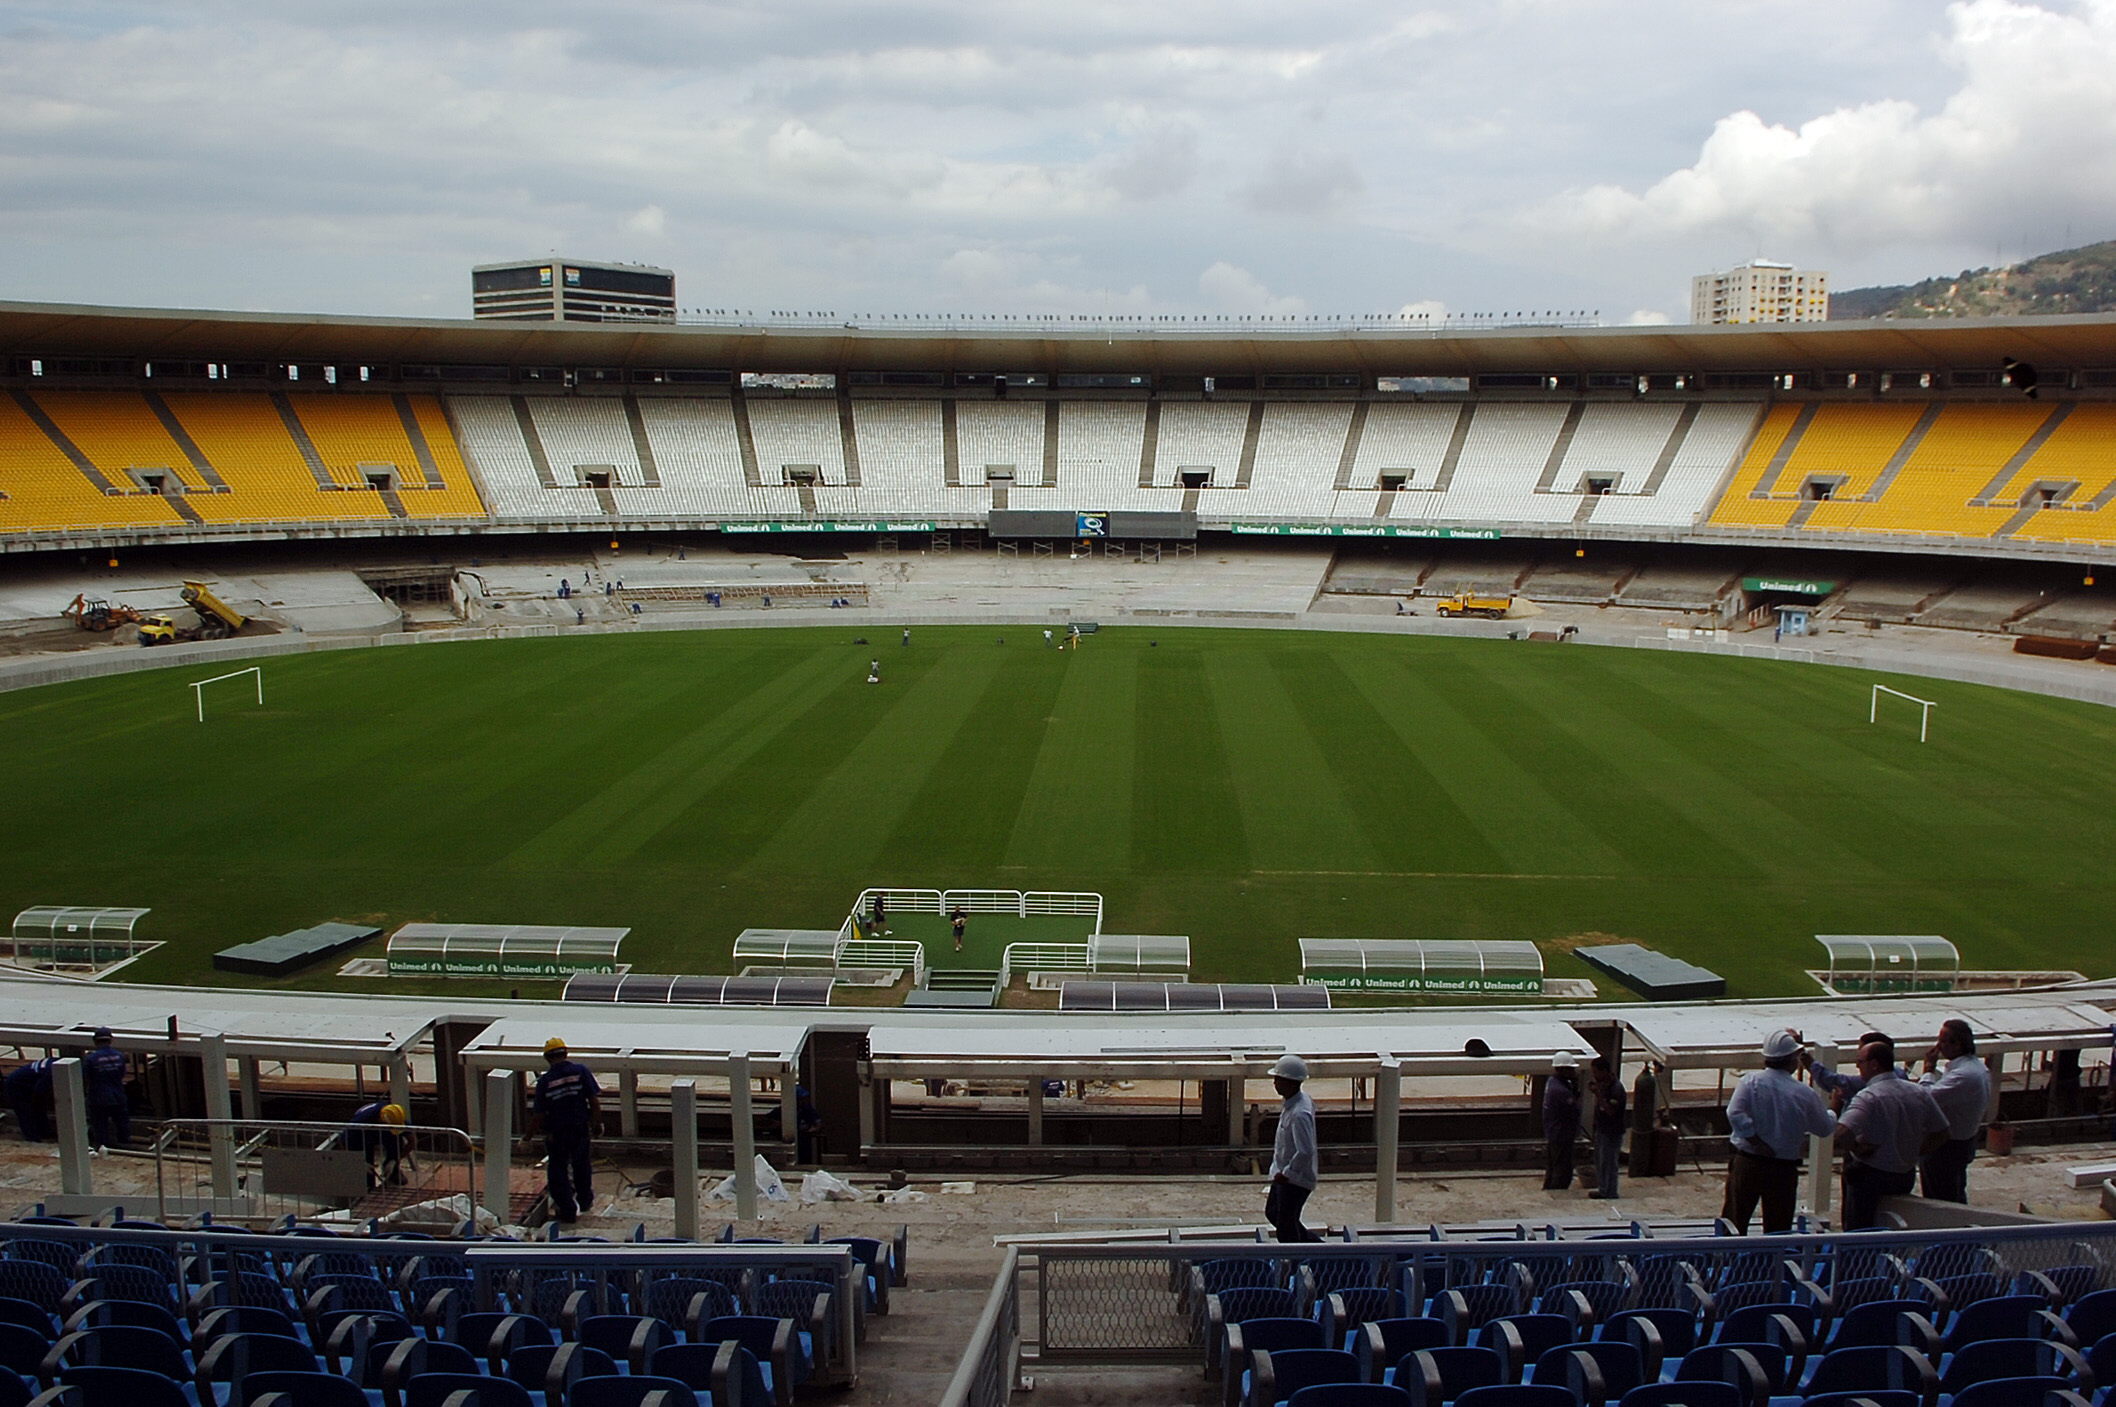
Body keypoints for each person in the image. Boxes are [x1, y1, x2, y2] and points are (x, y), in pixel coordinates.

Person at [1722, 1029, 1835, 1234]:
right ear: (1793, 1059)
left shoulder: (1750, 1082)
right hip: (1782, 1168)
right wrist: (1834, 1108)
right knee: (1778, 1228)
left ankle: (1727, 1262)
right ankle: (1772, 1265)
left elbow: (1735, 1113)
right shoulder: (1803, 1093)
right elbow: (1824, 1128)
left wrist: (1755, 1140)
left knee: (1735, 1221)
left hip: (1749, 1161)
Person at [1836, 1039, 1947, 1230]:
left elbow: (1840, 1134)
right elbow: (1942, 1131)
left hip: (1870, 1176)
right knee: (1892, 1225)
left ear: (1874, 1065)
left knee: (1859, 1231)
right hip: (1904, 1175)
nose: (1857, 1066)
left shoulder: (1869, 1096)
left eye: (1860, 1061)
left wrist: (1857, 1148)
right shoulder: (1918, 1092)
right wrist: (1915, 1152)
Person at [1918, 1019, 1993, 1203]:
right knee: (1953, 1190)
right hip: (1961, 1141)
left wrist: (1928, 1069)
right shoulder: (1975, 1067)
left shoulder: (1963, 1075)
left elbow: (1925, 1098)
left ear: (1957, 1044)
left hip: (1946, 1147)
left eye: (1943, 1041)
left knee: (1941, 1197)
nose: (1938, 1046)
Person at [531, 1037, 602, 1223]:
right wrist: (596, 1124)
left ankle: (567, 1210)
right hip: (580, 1130)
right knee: (582, 1166)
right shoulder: (581, 1071)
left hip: (558, 1135)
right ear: (565, 1053)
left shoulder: (545, 1082)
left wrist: (527, 1137)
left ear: (547, 1058)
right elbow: (594, 1102)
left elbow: (538, 1115)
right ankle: (585, 1201)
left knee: (558, 1172)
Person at [1264, 1054, 1321, 1242]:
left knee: (1286, 1226)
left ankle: (1300, 1258)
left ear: (1289, 1082)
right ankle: (1317, 1250)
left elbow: (1305, 1150)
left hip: (1294, 1180)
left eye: (1278, 1079)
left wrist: (1287, 1173)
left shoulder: (1299, 1114)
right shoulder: (1297, 1104)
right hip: (1284, 1175)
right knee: (1275, 1213)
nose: (1275, 1083)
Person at [82, 1028, 130, 1151]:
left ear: (95, 1041)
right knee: (121, 1122)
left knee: (100, 1124)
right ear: (111, 1040)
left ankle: (104, 1147)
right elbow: (121, 1074)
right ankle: (125, 1145)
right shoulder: (119, 1056)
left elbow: (85, 1077)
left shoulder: (91, 1059)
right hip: (118, 1094)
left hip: (98, 1096)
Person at [343, 1100, 411, 1186]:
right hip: (363, 1136)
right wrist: (358, 1162)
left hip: (382, 1131)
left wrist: (395, 1159)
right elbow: (343, 1140)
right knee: (365, 1161)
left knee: (395, 1140)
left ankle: (393, 1172)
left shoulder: (395, 1116)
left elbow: (412, 1140)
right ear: (381, 1121)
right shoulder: (361, 1120)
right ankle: (368, 1183)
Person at [1587, 1055, 1626, 1199]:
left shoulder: (1616, 1088)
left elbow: (1610, 1110)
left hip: (1612, 1131)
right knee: (1600, 1161)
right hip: (1602, 1129)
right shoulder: (1604, 1085)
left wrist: (1598, 1095)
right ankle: (1603, 1188)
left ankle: (1609, 1191)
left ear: (1604, 1071)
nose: (1595, 1076)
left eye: (1596, 1072)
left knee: (1609, 1162)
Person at [1542, 1052, 1582, 1190]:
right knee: (1562, 1168)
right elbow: (1574, 1111)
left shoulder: (1552, 1082)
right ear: (1562, 1069)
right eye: (1570, 1069)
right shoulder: (1561, 1091)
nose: (1573, 1071)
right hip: (1561, 1134)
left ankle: (1549, 1188)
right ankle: (1557, 1191)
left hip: (1554, 1132)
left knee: (1553, 1165)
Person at [4, 1057, 54, 1142]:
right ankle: (33, 1137)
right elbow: (40, 1090)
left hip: (24, 1081)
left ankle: (44, 1132)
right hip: (16, 1085)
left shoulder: (54, 1065)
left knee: (38, 1107)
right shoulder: (52, 1072)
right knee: (25, 1112)